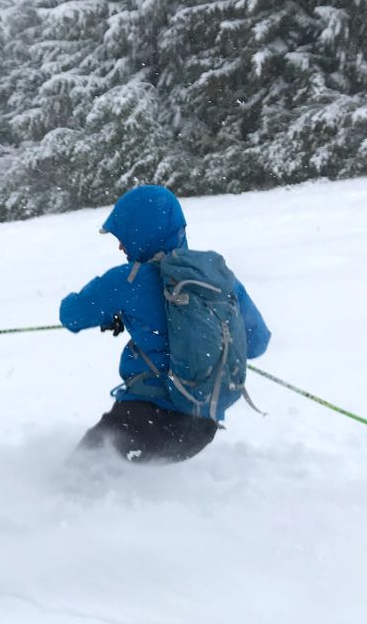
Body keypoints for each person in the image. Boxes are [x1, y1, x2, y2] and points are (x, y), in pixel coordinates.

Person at [60, 185, 271, 464]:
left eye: (123, 236)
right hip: (200, 430)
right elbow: (257, 343)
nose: (120, 245)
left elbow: (71, 314)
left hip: (145, 422)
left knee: (73, 481)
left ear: (140, 232)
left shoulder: (129, 280)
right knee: (124, 490)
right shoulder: (218, 280)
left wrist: (114, 313)